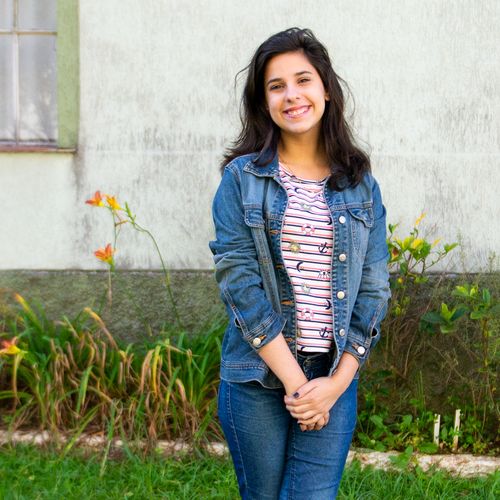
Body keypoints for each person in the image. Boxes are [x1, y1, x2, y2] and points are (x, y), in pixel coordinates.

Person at [209, 27, 391, 499]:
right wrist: (297, 384)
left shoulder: (360, 185)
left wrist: (335, 383)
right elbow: (239, 284)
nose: (292, 95)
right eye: (276, 86)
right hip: (257, 376)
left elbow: (373, 289)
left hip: (335, 373)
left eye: (303, 80)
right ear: (264, 101)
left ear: (325, 89)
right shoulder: (240, 179)